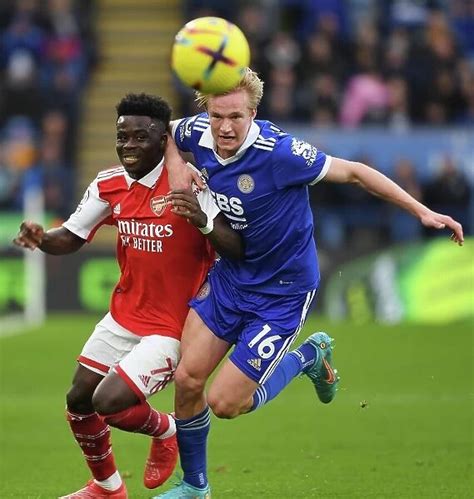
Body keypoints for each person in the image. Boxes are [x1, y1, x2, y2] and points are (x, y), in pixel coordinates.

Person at [155, 68, 464, 498]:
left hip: (283, 291)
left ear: (254, 113)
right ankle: (194, 487)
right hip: (232, 276)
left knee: (226, 404)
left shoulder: (280, 153)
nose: (225, 127)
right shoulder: (197, 132)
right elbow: (163, 130)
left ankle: (308, 357)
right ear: (206, 109)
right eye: (217, 116)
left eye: (237, 118)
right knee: (187, 380)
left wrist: (421, 212)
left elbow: (355, 172)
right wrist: (176, 164)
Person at [13, 93, 244, 499]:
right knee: (78, 398)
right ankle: (107, 488)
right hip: (124, 316)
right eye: (123, 137)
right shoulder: (109, 184)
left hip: (174, 327)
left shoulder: (189, 182)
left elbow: (236, 247)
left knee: (109, 402)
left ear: (163, 141)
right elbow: (71, 236)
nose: (129, 145)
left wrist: (203, 220)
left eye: (141, 137)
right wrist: (43, 240)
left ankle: (169, 428)